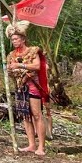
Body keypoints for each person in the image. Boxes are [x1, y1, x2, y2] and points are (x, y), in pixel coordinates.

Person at [6, 20, 50, 156]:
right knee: (26, 116)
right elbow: (10, 71)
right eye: (12, 39)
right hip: (20, 87)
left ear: (23, 39)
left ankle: (41, 147)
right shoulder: (11, 55)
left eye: (16, 39)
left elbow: (37, 66)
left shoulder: (33, 51)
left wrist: (20, 66)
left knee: (37, 115)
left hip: (33, 87)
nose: (14, 41)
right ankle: (31, 144)